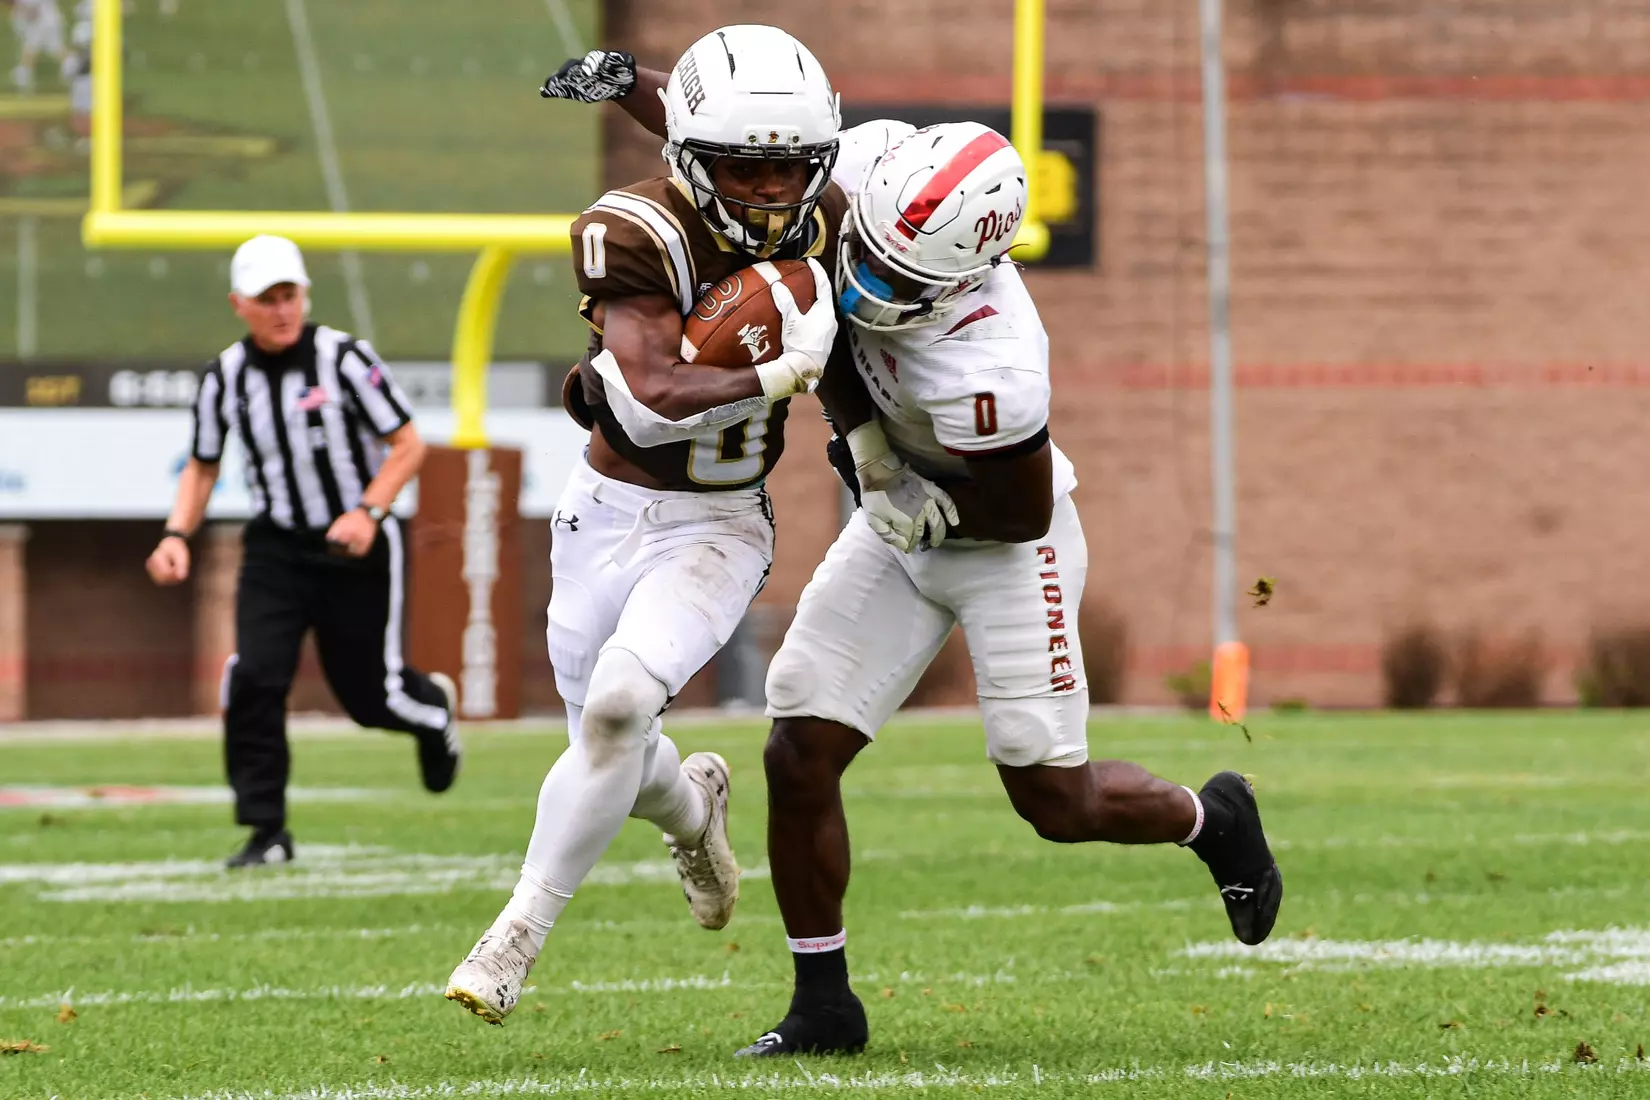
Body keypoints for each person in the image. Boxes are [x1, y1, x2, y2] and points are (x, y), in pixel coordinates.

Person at [546, 54, 1285, 1058]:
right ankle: (824, 1004)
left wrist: (911, 501)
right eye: (865, 254)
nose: (862, 286)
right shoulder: (867, 174)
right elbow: (749, 144)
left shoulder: (994, 369)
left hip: (996, 537)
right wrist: (633, 81)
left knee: (1053, 799)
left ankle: (1212, 817)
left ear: (969, 274)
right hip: (896, 509)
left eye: (895, 280)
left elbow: (1018, 512)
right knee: (798, 749)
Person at [442, 24, 860, 1026]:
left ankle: (512, 939)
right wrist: (779, 373)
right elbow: (650, 398)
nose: (771, 191)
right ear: (690, 159)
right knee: (614, 748)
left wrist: (879, 450)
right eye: (743, 172)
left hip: (719, 523)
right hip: (604, 511)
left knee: (620, 709)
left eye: (789, 169)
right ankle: (694, 807)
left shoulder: (829, 215)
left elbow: (735, 127)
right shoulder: (635, 228)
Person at [146, 234, 461, 869]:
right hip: (277, 548)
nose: (281, 309)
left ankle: (432, 714)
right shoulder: (224, 377)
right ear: (239, 304)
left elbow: (407, 444)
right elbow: (203, 464)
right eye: (267, 299)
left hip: (356, 545)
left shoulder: (343, 358)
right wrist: (176, 534)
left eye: (289, 295)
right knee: (254, 677)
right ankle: (267, 831)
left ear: (305, 295)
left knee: (371, 700)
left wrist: (368, 512)